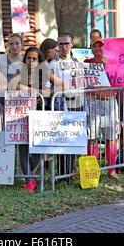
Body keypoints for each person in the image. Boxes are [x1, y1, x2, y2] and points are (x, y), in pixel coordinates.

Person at [10, 47, 67, 191]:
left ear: (39, 61)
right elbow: (12, 86)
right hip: (22, 115)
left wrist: (49, 93)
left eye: (35, 59)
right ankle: (29, 181)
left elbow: (63, 86)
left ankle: (29, 174)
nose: (31, 61)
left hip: (41, 116)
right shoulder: (19, 73)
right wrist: (37, 92)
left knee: (39, 149)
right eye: (29, 58)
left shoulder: (45, 73)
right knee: (23, 148)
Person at [84, 36, 120, 179]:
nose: (98, 49)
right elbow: (83, 82)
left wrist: (108, 66)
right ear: (91, 48)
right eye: (94, 46)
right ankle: (92, 171)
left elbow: (120, 78)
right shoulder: (87, 63)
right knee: (92, 137)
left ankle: (111, 170)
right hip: (93, 102)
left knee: (110, 137)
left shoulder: (113, 62)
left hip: (110, 102)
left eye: (100, 46)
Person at [49, 32, 84, 180]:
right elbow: (47, 86)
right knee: (62, 140)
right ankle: (62, 174)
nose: (63, 47)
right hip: (60, 105)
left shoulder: (80, 64)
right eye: (60, 44)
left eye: (66, 43)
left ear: (72, 44)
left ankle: (69, 171)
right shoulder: (51, 65)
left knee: (73, 140)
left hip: (77, 104)